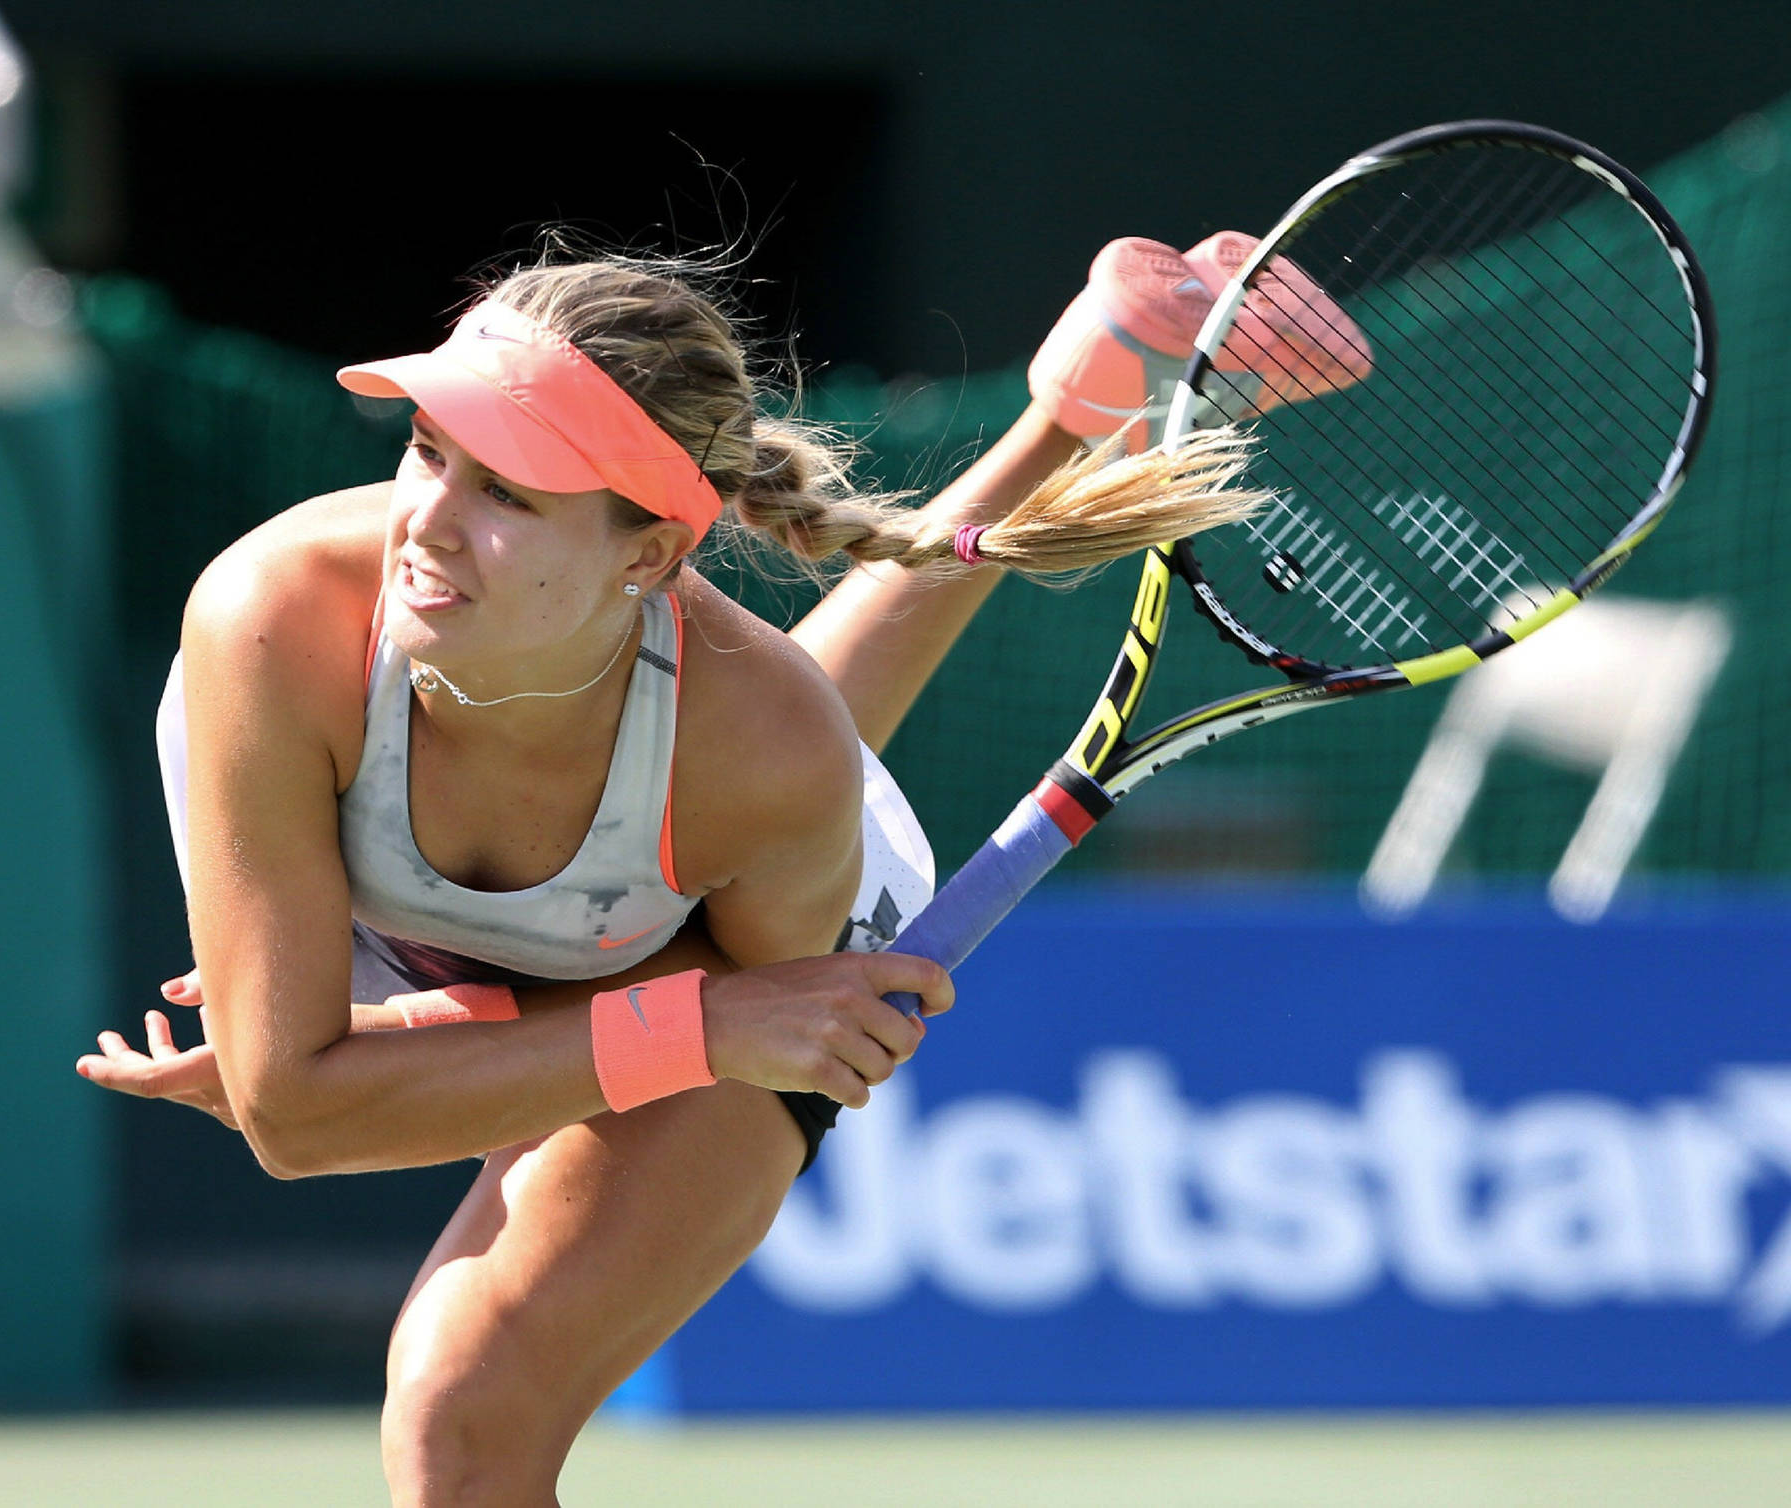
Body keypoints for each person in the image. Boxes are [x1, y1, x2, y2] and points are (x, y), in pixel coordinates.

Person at [78, 231, 1299, 1507]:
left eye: (507, 493)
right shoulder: (270, 620)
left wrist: (652, 1024)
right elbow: (296, 1116)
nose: (426, 521)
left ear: (651, 550)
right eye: (428, 450)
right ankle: (1076, 402)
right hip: (632, 885)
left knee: (463, 1417)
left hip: (726, 928)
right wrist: (401, 1039)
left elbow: (728, 1021)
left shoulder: (765, 756)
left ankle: (1071, 407)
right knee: (738, 751)